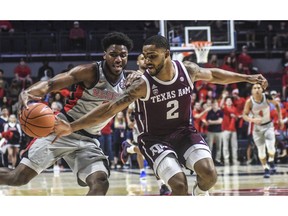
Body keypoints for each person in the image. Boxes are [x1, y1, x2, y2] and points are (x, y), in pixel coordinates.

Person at [54, 35, 268, 196]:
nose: (148, 61)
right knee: (178, 184)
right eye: (145, 57)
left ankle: (200, 194)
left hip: (184, 132)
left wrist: (247, 78)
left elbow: (214, 75)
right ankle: (136, 152)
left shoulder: (187, 70)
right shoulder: (141, 83)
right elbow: (109, 109)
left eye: (153, 56)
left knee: (210, 174)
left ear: (167, 54)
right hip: (155, 138)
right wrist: (72, 127)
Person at [0, 31, 134, 195]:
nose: (118, 59)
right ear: (104, 55)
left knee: (100, 181)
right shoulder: (90, 71)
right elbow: (50, 84)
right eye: (113, 54)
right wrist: (28, 92)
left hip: (88, 139)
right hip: (59, 130)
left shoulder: (129, 82)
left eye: (123, 55)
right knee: (18, 178)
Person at [121, 53, 171, 195]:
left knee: (156, 151)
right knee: (154, 152)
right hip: (142, 120)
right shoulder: (134, 77)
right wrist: (129, 119)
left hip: (158, 118)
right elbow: (128, 101)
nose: (146, 61)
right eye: (143, 58)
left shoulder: (156, 75)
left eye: (148, 58)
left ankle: (129, 148)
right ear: (138, 62)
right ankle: (162, 185)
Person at [242, 83, 283, 178]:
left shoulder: (267, 97)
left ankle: (271, 160)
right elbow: (244, 115)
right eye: (255, 88)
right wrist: (252, 120)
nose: (257, 89)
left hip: (268, 125)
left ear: (262, 90)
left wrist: (280, 119)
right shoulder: (249, 102)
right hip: (257, 128)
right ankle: (266, 169)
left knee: (271, 148)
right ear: (252, 91)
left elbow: (277, 105)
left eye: (258, 88)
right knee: (261, 151)